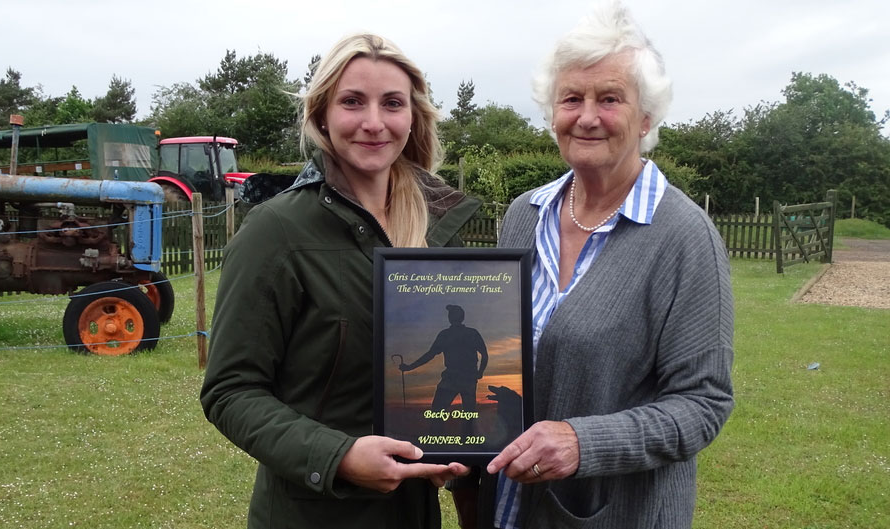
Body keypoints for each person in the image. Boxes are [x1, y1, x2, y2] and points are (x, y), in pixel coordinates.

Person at [471, 3, 735, 528]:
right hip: (507, 507)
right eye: (572, 98)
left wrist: (582, 442)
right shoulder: (524, 216)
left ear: (645, 118)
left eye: (609, 98)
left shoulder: (684, 237)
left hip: (615, 513)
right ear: (552, 115)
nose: (587, 116)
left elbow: (703, 403)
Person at [200, 33, 480, 528]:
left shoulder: (439, 229)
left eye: (392, 103)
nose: (374, 123)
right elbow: (230, 391)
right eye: (353, 102)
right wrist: (339, 456)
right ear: (322, 114)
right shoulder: (276, 231)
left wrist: (465, 444)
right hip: (313, 515)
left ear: (412, 116)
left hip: (414, 515)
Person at [400, 304, 489, 413]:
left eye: (451, 314)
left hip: (452, 378)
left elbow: (430, 355)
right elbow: (484, 355)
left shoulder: (446, 335)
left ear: (450, 318)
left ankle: (437, 429)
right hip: (467, 379)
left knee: (437, 412)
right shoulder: (471, 333)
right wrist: (480, 372)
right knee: (468, 415)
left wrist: (410, 367)